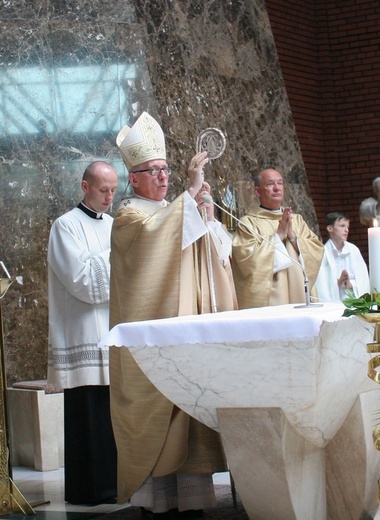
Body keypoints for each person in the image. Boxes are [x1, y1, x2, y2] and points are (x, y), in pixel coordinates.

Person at [109, 111, 237, 518]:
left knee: (190, 408)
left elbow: (217, 257)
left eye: (166, 169)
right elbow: (153, 241)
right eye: (153, 171)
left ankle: (193, 498)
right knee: (161, 412)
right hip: (153, 343)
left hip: (184, 335)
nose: (163, 177)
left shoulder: (176, 210)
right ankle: (154, 500)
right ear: (134, 178)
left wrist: (208, 215)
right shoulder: (129, 217)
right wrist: (189, 197)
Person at [47, 161, 119, 505]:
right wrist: (118, 251)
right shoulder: (65, 227)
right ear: (84, 187)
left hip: (112, 333)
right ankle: (88, 492)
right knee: (88, 419)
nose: (109, 197)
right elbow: (85, 283)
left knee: (112, 420)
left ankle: (118, 486)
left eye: (114, 190)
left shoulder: (116, 225)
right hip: (84, 336)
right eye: (103, 190)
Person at [231, 168, 324, 309]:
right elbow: (246, 260)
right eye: (270, 184)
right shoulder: (248, 223)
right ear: (257, 191)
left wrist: (293, 237)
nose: (276, 188)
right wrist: (279, 236)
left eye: (280, 183)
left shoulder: (297, 220)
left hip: (299, 292)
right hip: (271, 299)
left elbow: (316, 250)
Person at [315, 212, 370, 302]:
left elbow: (363, 280)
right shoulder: (323, 253)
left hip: (354, 300)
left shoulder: (353, 250)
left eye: (347, 227)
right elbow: (321, 286)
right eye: (342, 226)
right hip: (335, 303)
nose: (346, 230)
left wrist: (350, 284)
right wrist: (338, 283)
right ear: (330, 228)